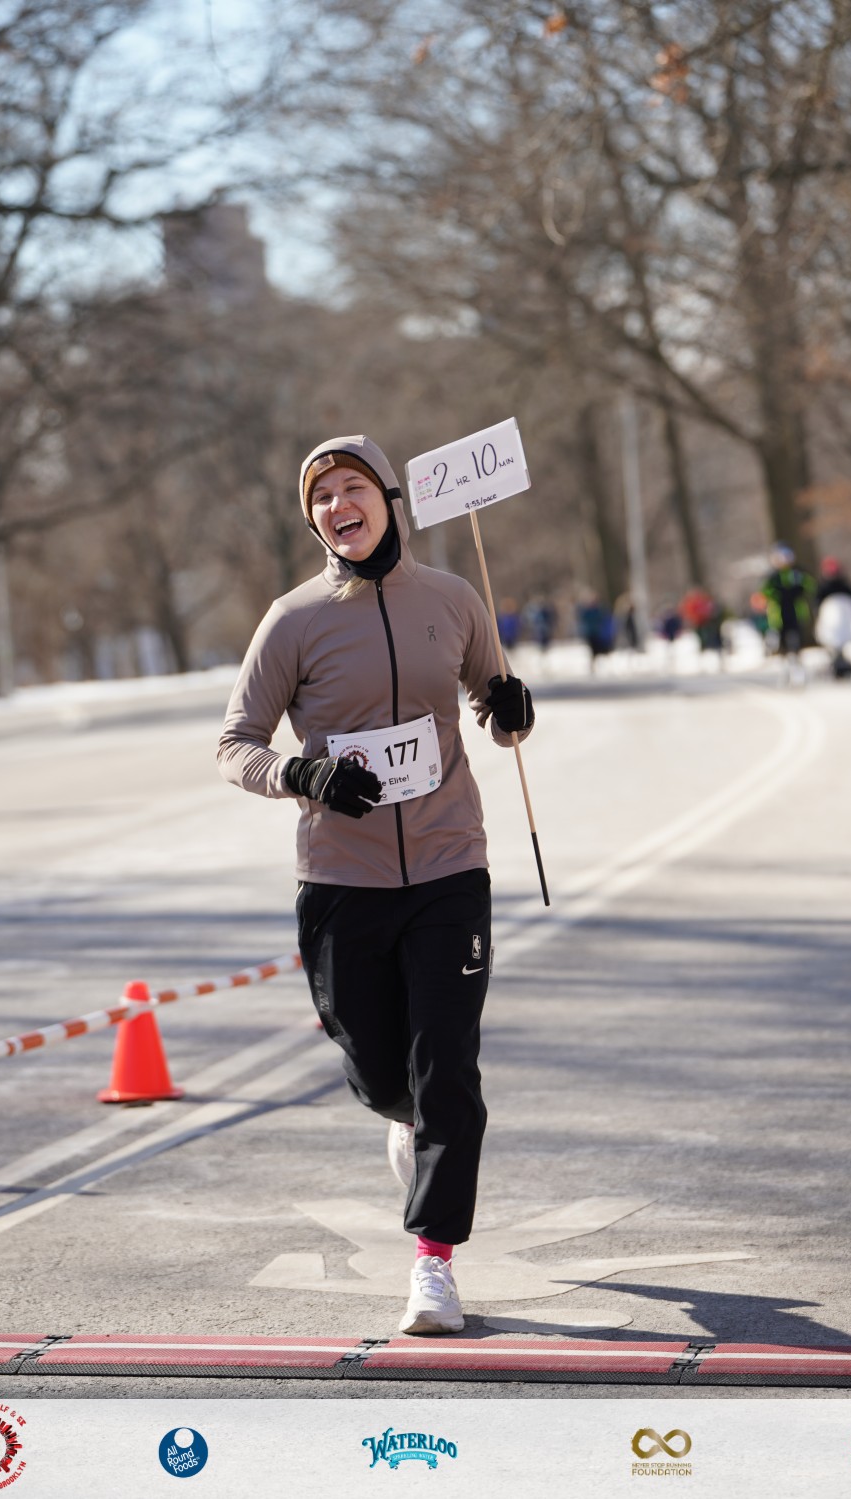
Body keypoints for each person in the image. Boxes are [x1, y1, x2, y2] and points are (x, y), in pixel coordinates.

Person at [217, 434, 535, 1336]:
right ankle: (407, 1119)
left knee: (448, 1071)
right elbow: (235, 744)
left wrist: (514, 710)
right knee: (381, 1073)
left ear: (390, 500)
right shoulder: (293, 619)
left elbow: (496, 707)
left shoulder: (453, 598)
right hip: (341, 880)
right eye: (320, 497)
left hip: (448, 866)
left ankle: (433, 1262)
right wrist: (302, 774)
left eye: (352, 487)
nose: (336, 506)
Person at [761, 543, 815, 685]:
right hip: (779, 615)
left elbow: (811, 585)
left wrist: (799, 590)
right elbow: (765, 592)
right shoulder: (773, 576)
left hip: (796, 612)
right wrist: (777, 594)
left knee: (797, 640)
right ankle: (785, 668)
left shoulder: (798, 573)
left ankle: (798, 667)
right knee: (782, 643)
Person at [814, 557, 851, 680]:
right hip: (829, 621)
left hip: (844, 620)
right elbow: (817, 602)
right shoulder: (823, 586)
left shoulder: (844, 585)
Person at [576, 591, 616, 669]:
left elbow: (603, 619)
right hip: (591, 633)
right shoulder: (587, 611)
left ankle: (600, 664)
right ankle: (593, 664)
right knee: (593, 650)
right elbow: (582, 619)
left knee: (599, 649)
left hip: (597, 633)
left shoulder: (599, 610)